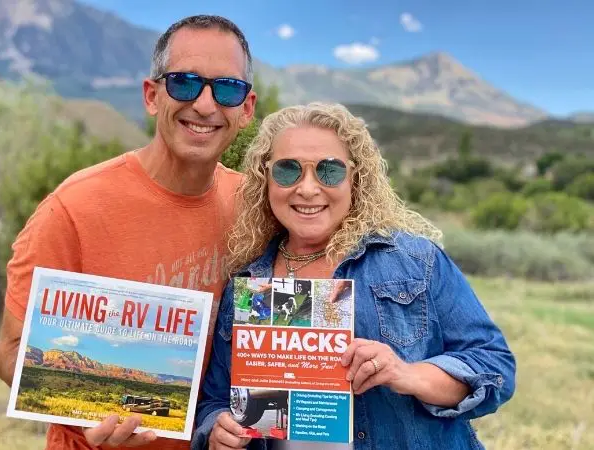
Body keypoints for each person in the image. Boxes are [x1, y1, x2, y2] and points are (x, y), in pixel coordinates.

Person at [0, 15, 257, 450]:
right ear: (152, 96)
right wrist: (86, 418)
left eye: (226, 88)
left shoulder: (253, 207)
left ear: (246, 108)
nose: (206, 106)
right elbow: (10, 353)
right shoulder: (73, 207)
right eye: (185, 83)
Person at [192, 103, 516, 450]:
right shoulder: (247, 283)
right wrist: (217, 429)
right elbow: (214, 399)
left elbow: (494, 367)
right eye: (288, 170)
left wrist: (406, 374)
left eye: (329, 171)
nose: (307, 188)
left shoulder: (415, 262)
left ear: (355, 177)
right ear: (265, 178)